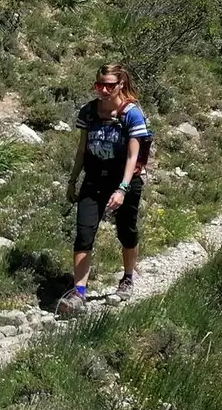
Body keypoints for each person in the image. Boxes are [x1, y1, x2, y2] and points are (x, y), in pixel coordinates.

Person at [59, 63, 153, 315]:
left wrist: (122, 189)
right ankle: (79, 292)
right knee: (84, 232)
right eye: (99, 85)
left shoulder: (131, 114)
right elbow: (82, 149)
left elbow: (133, 157)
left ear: (121, 84)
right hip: (94, 178)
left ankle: (128, 276)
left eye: (109, 86)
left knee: (126, 230)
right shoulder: (89, 112)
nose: (103, 90)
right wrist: (72, 180)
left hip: (125, 180)